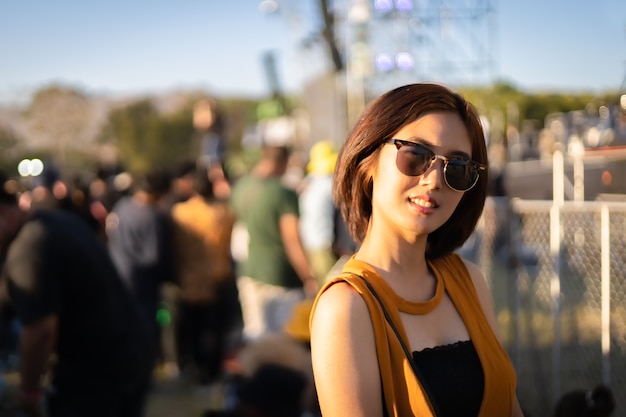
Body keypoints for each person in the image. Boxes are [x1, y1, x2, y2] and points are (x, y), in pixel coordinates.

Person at [310, 83, 525, 417]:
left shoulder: (470, 280)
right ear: (369, 162)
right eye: (416, 155)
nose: (435, 179)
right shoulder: (346, 307)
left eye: (458, 167)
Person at [0, 171, 153, 417]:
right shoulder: (55, 222)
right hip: (127, 356)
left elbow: (41, 331)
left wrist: (29, 392)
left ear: (4, 214)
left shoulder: (29, 248)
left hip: (96, 377)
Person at [230, 144, 318, 341]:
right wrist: (308, 276)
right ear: (283, 162)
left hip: (249, 269)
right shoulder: (282, 192)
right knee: (284, 342)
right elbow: (292, 238)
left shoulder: (241, 187)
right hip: (280, 274)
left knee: (256, 336)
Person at [170, 165, 237, 386]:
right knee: (214, 331)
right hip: (216, 279)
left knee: (192, 330)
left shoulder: (179, 213)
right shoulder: (224, 213)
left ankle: (193, 368)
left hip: (188, 280)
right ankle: (213, 372)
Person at [106, 167, 175, 369]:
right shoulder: (150, 216)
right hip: (142, 281)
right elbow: (154, 257)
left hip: (119, 273)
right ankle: (143, 365)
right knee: (145, 326)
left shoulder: (123, 205)